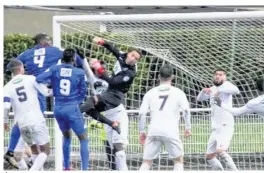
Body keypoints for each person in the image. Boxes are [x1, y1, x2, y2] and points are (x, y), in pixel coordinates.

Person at [4, 33, 84, 166]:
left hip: (24, 86)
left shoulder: (26, 53)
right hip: (37, 86)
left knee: (23, 119)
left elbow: (11, 65)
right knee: (36, 120)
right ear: (42, 42)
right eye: (49, 41)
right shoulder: (54, 51)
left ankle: (15, 152)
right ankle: (17, 152)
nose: (51, 43)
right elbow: (73, 56)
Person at [79, 36, 142, 170]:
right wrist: (101, 42)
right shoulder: (121, 56)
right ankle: (109, 123)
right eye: (132, 55)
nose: (133, 59)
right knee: (111, 152)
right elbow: (112, 48)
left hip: (116, 101)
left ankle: (76, 111)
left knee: (118, 151)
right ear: (128, 53)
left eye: (136, 59)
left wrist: (100, 69)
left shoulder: (130, 73)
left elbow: (112, 82)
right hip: (106, 113)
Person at [36, 48, 89, 170]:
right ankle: (85, 170)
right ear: (74, 58)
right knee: (84, 138)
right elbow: (83, 92)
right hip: (71, 108)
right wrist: (76, 102)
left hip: (58, 109)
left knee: (66, 136)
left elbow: (38, 79)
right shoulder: (79, 72)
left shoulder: (55, 69)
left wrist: (48, 91)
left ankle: (66, 167)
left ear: (62, 58)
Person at [138, 64, 191, 171]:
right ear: (172, 77)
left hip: (154, 130)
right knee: (178, 160)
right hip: (170, 130)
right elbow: (186, 110)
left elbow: (142, 113)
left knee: (147, 162)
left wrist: (142, 130)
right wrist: (188, 127)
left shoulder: (150, 93)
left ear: (158, 76)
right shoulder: (178, 92)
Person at [3, 59, 52, 171]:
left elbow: (6, 106)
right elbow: (46, 93)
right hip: (36, 120)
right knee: (46, 150)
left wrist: (5, 121)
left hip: (21, 124)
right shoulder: (31, 79)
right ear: (21, 68)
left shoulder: (6, 87)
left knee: (34, 150)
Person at [196, 69, 240, 171]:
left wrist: (220, 90)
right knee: (209, 157)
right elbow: (199, 99)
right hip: (215, 127)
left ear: (225, 77)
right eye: (216, 75)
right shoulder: (212, 89)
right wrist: (203, 91)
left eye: (220, 75)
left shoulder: (227, 85)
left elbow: (236, 91)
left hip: (225, 124)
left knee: (220, 151)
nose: (218, 76)